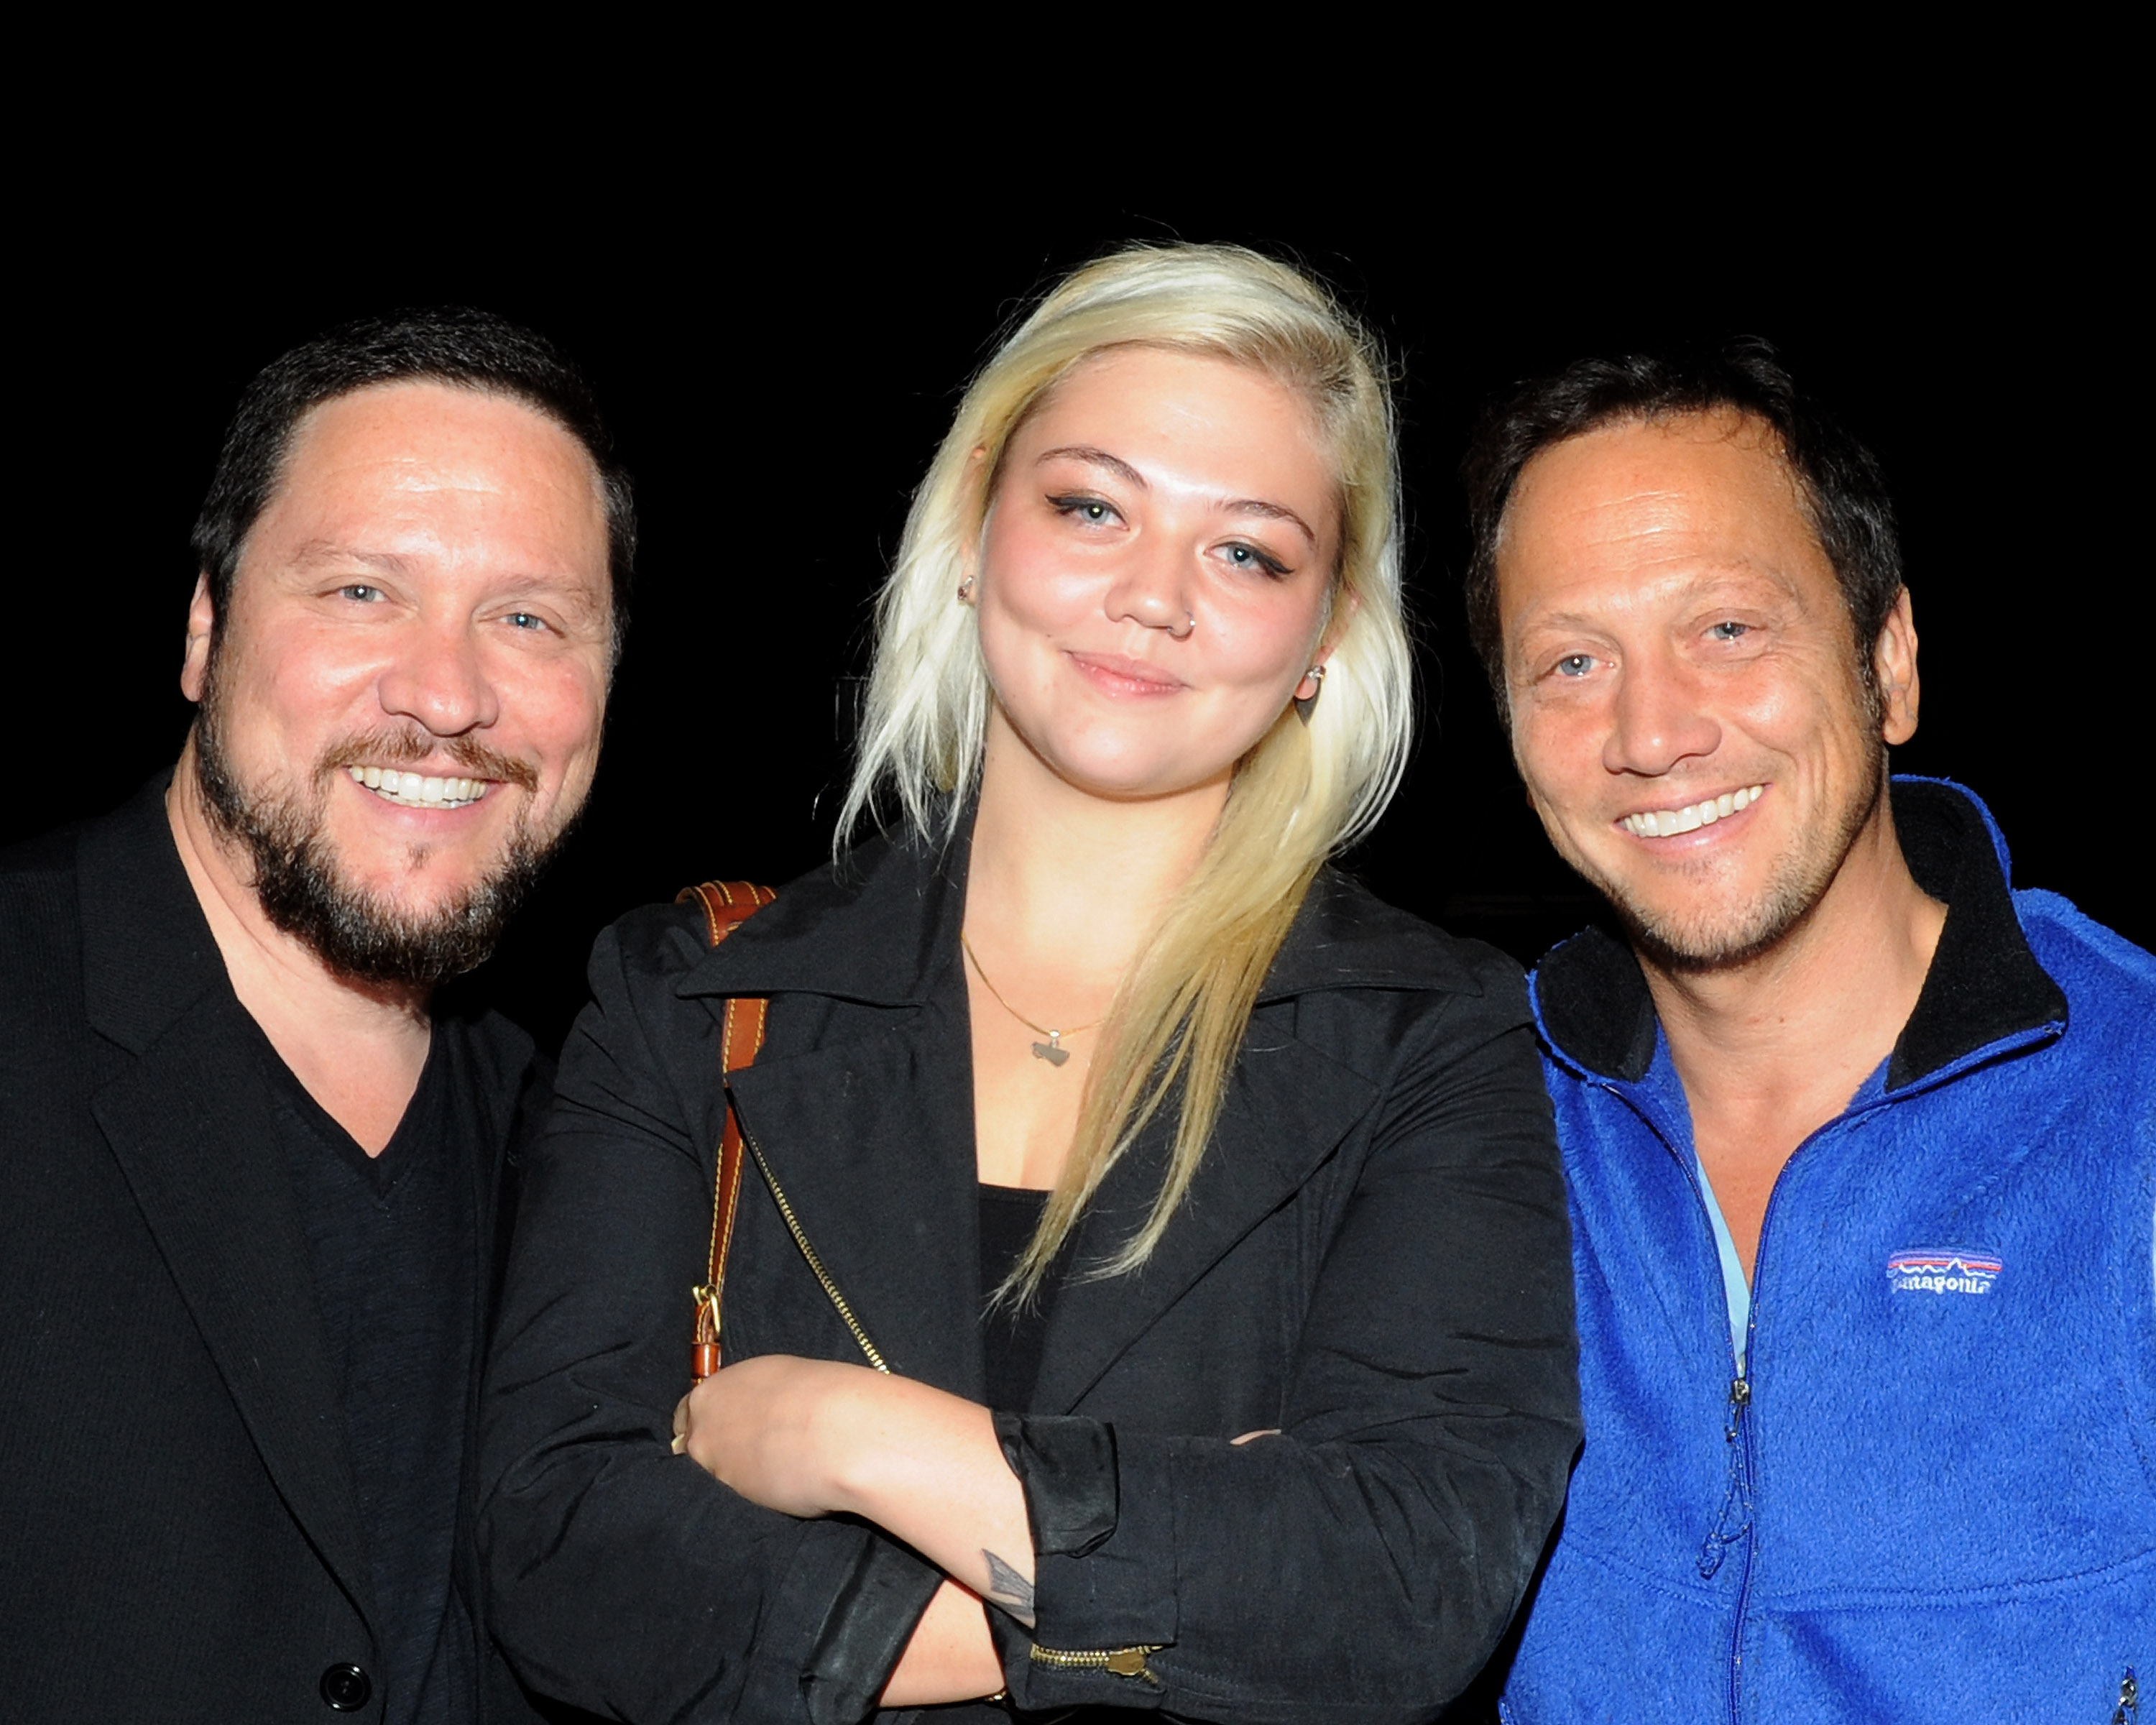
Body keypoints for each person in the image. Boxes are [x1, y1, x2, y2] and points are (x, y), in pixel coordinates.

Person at [480, 244, 1582, 1724]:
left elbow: (1399, 1593)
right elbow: (558, 1554)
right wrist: (1180, 1577)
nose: (1152, 598)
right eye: (1091, 506)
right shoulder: (688, 990)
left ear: (1323, 642)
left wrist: (848, 1432)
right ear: (972, 530)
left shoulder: (1431, 1039)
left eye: (1247, 550)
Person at [1458, 341, 2155, 1720]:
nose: (1651, 734)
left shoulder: (2134, 1104)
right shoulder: (1463, 1130)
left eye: (1727, 629)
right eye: (1573, 661)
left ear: (1888, 660)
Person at [0, 308, 629, 1724]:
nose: (447, 695)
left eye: (529, 619)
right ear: (204, 629)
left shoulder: (599, 1146)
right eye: (361, 593)